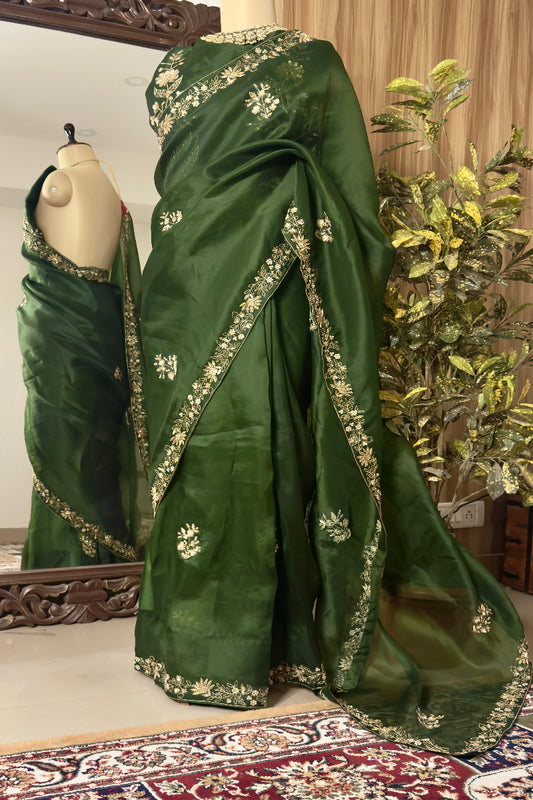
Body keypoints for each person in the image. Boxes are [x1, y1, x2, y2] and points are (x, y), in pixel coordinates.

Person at [133, 9, 531, 754]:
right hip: (183, 293)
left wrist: (297, 219)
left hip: (280, 274)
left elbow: (343, 184)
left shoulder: (309, 58)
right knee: (203, 455)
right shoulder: (172, 68)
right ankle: (192, 639)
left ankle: (262, 641)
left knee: (270, 440)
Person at [18, 129, 146, 568]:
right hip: (91, 324)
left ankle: (66, 558)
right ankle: (97, 552)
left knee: (71, 435)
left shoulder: (60, 183)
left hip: (64, 327)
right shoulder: (109, 187)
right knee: (85, 437)